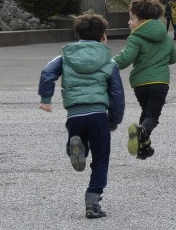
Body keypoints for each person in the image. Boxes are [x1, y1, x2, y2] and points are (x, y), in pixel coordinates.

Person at [38, 12, 125, 219]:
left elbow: (47, 73)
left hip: (75, 114)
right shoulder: (109, 61)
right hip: (98, 115)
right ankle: (93, 199)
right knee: (101, 158)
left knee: (78, 142)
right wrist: (114, 120)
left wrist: (46, 98)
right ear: (103, 36)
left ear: (77, 33)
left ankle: (76, 150)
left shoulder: (66, 56)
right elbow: (117, 94)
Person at [113, 0, 176, 161]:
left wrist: (108, 63)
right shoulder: (165, 37)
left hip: (141, 84)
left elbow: (125, 59)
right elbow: (174, 58)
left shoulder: (135, 38)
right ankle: (142, 135)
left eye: (131, 18)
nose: (129, 22)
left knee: (147, 114)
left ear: (142, 21)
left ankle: (143, 147)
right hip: (161, 83)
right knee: (152, 117)